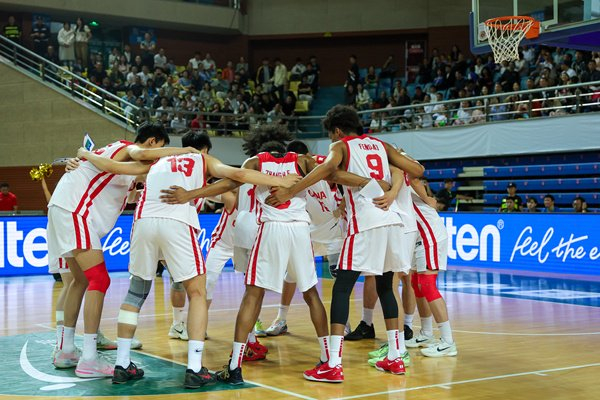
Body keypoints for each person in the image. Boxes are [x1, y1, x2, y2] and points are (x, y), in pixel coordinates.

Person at [79, 130, 298, 387]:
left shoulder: (157, 160)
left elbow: (113, 167)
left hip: (143, 221)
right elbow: (238, 175)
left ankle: (122, 364)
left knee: (135, 293)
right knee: (197, 292)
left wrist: (83, 156)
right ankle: (194, 368)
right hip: (177, 221)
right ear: (203, 149)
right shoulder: (202, 159)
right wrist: (281, 180)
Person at [267, 105, 425, 382]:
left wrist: (290, 191)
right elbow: (417, 169)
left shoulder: (341, 146)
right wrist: (381, 177)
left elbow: (328, 170)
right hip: (392, 221)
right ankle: (395, 356)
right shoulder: (381, 145)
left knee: (341, 288)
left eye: (331, 134)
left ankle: (333, 363)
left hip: (364, 222)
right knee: (386, 287)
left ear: (337, 131)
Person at [48, 123, 200, 378]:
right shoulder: (128, 148)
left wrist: (138, 195)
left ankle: (66, 350)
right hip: (75, 209)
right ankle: (89, 359)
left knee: (79, 280)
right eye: (161, 148)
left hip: (64, 207)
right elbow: (142, 155)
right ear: (152, 141)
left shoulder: (120, 169)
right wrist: (185, 151)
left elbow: (119, 189)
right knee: (99, 280)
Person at [266, 140, 345, 337]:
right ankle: (281, 319)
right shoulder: (285, 172)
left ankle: (344, 323)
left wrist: (344, 204)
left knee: (339, 279)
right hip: (308, 229)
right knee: (291, 275)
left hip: (333, 227)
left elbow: (342, 175)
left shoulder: (320, 163)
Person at [405, 179, 457, 357]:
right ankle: (426, 333)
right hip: (417, 235)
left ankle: (448, 341)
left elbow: (415, 176)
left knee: (427, 284)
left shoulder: (400, 173)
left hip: (429, 233)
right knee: (416, 283)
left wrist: (427, 198)